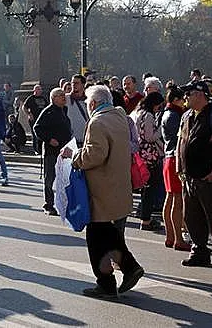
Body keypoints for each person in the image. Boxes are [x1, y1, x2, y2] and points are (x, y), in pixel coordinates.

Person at [63, 85, 144, 299]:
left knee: (97, 236)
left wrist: (74, 155)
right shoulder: (119, 117)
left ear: (93, 103)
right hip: (118, 184)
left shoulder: (97, 122)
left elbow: (95, 155)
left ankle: (111, 280)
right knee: (107, 233)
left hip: (101, 188)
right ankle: (126, 270)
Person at [176, 80, 212, 272]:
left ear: (201, 95)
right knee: (191, 217)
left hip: (208, 178)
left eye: (189, 93)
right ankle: (199, 251)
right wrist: (179, 167)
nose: (185, 97)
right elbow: (181, 142)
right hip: (189, 177)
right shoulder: (186, 116)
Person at [32, 87, 71, 216]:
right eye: (60, 95)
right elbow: (37, 128)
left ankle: (64, 204)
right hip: (51, 151)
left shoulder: (64, 110)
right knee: (50, 179)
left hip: (65, 150)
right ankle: (48, 204)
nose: (64, 97)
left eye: (63, 95)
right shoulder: (48, 111)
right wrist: (49, 139)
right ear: (54, 98)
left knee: (65, 178)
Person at [160, 86, 190, 251]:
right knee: (177, 201)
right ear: (176, 100)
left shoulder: (167, 113)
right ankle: (178, 238)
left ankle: (170, 236)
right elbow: (181, 138)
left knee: (170, 198)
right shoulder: (174, 115)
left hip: (168, 157)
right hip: (174, 158)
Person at [132, 91, 165, 232]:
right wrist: (161, 131)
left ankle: (145, 216)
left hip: (140, 152)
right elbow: (150, 136)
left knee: (145, 186)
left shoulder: (138, 113)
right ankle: (146, 218)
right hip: (150, 154)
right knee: (151, 187)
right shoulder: (149, 116)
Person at [23, 84, 49, 155]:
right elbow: (24, 107)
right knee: (35, 134)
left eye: (40, 89)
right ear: (35, 90)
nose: (40, 91)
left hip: (42, 119)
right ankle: (36, 149)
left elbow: (47, 107)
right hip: (33, 119)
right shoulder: (31, 98)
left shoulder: (43, 98)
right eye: (38, 89)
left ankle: (40, 149)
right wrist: (29, 114)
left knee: (41, 134)